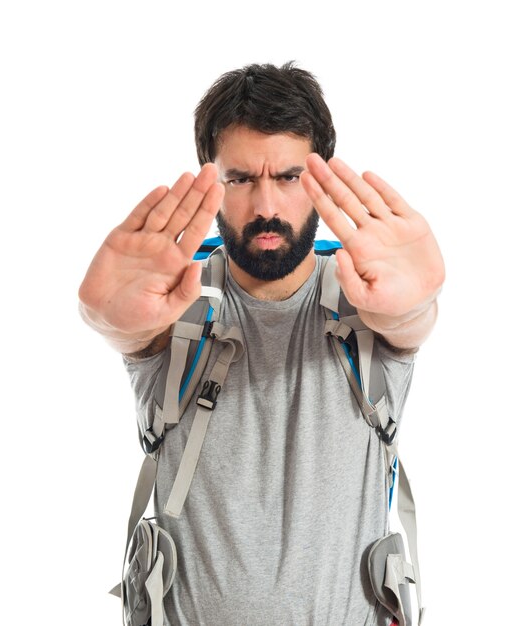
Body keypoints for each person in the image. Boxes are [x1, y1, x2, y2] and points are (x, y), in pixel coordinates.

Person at [78, 62, 445, 625]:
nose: (266, 206)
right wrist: (103, 320)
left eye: (290, 178)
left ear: (319, 183)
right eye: (241, 179)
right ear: (211, 180)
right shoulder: (176, 305)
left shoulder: (368, 304)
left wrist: (417, 302)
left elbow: (408, 323)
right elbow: (132, 333)